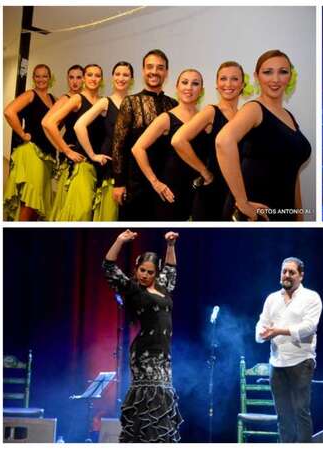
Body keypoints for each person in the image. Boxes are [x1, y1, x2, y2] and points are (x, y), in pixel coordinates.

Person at [102, 229, 183, 442]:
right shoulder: (134, 290)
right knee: (150, 401)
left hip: (164, 355)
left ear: (156, 274)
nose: (145, 275)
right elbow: (109, 267)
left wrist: (171, 245)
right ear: (137, 269)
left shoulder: (163, 288)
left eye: (150, 272)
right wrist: (119, 240)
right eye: (141, 270)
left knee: (162, 401)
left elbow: (171, 268)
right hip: (144, 354)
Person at [216, 50, 311, 221]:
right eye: (268, 72)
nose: (275, 79)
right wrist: (242, 202)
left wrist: (298, 216)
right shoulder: (254, 109)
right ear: (257, 76)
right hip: (255, 214)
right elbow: (223, 141)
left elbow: (292, 169)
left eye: (283, 72)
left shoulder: (289, 116)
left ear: (290, 77)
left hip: (283, 211)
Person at [255, 257, 322, 443]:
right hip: (276, 363)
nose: (287, 275)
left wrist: (278, 331)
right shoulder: (272, 299)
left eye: (291, 272)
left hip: (301, 362)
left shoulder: (311, 297)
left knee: (301, 413)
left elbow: (309, 327)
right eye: (284, 271)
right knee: (283, 417)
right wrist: (262, 334)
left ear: (301, 276)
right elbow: (262, 323)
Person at [172, 61, 245, 220]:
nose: (228, 84)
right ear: (217, 85)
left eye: (234, 79)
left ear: (242, 84)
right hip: (213, 192)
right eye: (223, 79)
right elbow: (178, 140)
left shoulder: (244, 116)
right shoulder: (211, 111)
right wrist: (204, 171)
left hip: (237, 192)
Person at [112, 49, 178, 220]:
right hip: (135, 182)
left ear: (166, 72)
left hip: (166, 181)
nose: (154, 71)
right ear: (143, 71)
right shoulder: (131, 102)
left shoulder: (174, 104)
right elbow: (118, 144)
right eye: (150, 67)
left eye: (160, 67)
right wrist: (118, 183)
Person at [132, 69, 204, 220]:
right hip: (171, 189)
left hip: (198, 189)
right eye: (184, 82)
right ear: (177, 87)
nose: (189, 87)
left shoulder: (204, 118)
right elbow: (138, 148)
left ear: (201, 90)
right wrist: (155, 182)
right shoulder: (166, 118)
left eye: (195, 83)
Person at [42, 64, 104, 221]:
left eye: (97, 75)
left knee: (86, 208)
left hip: (96, 161)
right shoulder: (75, 98)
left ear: (101, 79)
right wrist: (64, 149)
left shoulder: (103, 101)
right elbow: (48, 123)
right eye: (89, 75)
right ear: (85, 78)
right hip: (79, 159)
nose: (93, 78)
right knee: (78, 210)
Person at [74, 61, 134, 221]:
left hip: (130, 167)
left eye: (126, 74)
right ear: (112, 77)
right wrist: (93, 155)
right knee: (109, 215)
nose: (121, 78)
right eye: (118, 74)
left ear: (132, 79)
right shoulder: (105, 102)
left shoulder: (134, 102)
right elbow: (79, 125)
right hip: (111, 166)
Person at [3, 64, 57, 220]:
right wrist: (22, 133)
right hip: (33, 152)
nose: (41, 79)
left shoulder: (54, 99)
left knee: (37, 200)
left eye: (44, 76)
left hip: (48, 155)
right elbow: (9, 112)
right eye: (37, 76)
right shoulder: (30, 95)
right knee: (31, 200)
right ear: (33, 78)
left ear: (50, 78)